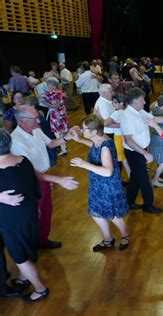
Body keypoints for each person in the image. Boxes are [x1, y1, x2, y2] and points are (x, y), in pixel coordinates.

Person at [10, 106, 79, 249]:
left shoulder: (36, 130)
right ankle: (32, 245)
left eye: (38, 117)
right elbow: (29, 171)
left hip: (44, 176)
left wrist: (66, 137)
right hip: (32, 180)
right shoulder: (16, 141)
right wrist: (58, 179)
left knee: (46, 209)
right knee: (36, 213)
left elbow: (50, 144)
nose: (39, 121)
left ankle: (42, 239)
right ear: (21, 121)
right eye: (34, 118)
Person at [68, 115, 130, 251]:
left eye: (84, 129)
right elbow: (94, 146)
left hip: (107, 187)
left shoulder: (105, 146)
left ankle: (125, 236)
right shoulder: (101, 140)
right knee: (96, 212)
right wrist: (79, 139)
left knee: (112, 215)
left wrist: (84, 164)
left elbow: (108, 171)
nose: (82, 131)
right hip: (98, 185)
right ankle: (108, 239)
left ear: (94, 131)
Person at [0, 129, 49, 302]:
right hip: (29, 212)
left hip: (10, 219)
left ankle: (40, 289)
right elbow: (35, 188)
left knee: (19, 256)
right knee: (27, 247)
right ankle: (23, 279)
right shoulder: (24, 161)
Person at [120, 88, 163, 214]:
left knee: (135, 178)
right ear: (134, 101)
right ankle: (148, 205)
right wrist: (144, 153)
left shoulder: (139, 111)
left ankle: (129, 202)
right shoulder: (128, 116)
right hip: (135, 153)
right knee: (144, 180)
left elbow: (155, 119)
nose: (144, 102)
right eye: (141, 100)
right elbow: (128, 140)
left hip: (140, 151)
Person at [41, 77, 69, 156]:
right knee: (62, 130)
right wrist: (62, 106)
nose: (47, 86)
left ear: (51, 85)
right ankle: (64, 146)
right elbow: (66, 99)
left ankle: (63, 149)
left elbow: (41, 99)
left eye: (48, 84)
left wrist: (50, 105)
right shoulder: (61, 92)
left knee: (57, 132)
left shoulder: (49, 93)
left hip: (55, 114)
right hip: (62, 112)